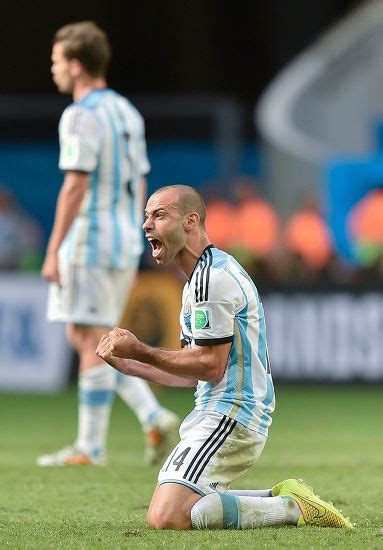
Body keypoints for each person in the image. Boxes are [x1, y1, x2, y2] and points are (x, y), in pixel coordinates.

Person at [96, 184, 353, 530]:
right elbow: (192, 372)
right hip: (216, 412)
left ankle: (292, 509)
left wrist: (141, 349)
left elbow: (210, 366)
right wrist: (130, 365)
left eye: (159, 215)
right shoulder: (197, 280)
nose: (147, 225)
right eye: (146, 217)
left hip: (233, 415)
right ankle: (287, 500)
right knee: (189, 509)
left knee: (167, 516)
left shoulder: (211, 279)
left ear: (190, 221)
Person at [38, 21, 179, 467]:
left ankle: (93, 446)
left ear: (76, 66)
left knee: (89, 337)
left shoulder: (81, 114)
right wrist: (144, 231)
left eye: (57, 60)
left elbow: (76, 184)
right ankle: (150, 414)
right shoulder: (126, 111)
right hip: (121, 236)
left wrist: (53, 246)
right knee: (86, 333)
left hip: (91, 238)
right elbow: (139, 180)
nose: (53, 68)